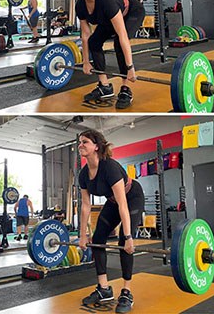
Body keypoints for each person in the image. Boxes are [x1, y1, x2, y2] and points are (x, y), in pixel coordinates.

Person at [78, 129, 144, 313]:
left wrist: (130, 236)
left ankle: (126, 292)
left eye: (85, 142)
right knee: (97, 240)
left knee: (124, 241)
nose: (80, 145)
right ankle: (104, 289)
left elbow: (123, 203)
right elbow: (85, 206)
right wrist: (82, 236)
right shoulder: (83, 175)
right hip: (113, 201)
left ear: (96, 147)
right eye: (80, 142)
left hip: (132, 197)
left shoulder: (109, 167)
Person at [70, 0, 145, 109]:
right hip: (108, 19)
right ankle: (104, 86)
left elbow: (122, 35)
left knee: (118, 42)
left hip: (131, 12)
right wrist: (86, 61)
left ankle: (125, 89)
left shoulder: (106, 0)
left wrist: (130, 68)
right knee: (94, 42)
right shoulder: (80, 5)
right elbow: (85, 35)